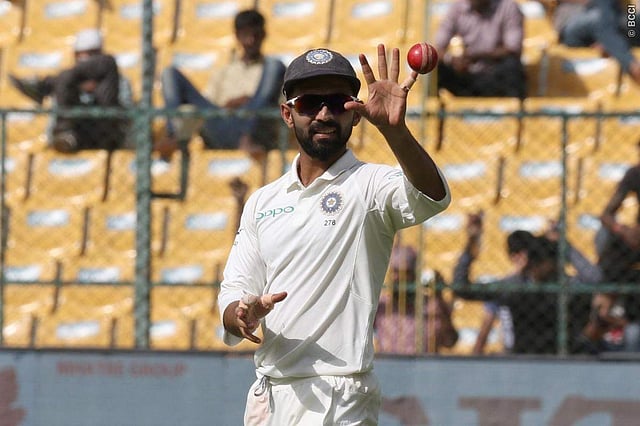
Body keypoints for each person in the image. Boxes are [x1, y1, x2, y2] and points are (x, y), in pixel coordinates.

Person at [217, 44, 450, 424]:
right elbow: (234, 290)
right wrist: (241, 315)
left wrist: (395, 133)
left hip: (339, 397)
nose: (324, 114)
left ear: (355, 113)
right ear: (288, 114)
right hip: (268, 396)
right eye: (310, 103)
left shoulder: (371, 185)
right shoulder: (263, 201)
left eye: (338, 102)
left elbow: (432, 197)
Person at [157, 9, 286, 161]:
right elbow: (208, 108)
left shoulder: (271, 72)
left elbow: (280, 108)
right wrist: (229, 105)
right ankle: (172, 135)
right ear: (237, 36)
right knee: (169, 74)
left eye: (255, 35)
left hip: (257, 129)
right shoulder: (223, 71)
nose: (251, 41)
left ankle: (248, 135)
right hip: (221, 126)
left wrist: (251, 103)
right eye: (246, 35)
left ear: (263, 35)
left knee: (275, 66)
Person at [453, 223, 602, 355]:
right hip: (526, 356)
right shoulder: (518, 287)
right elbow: (462, 290)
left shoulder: (566, 286)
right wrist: (471, 245)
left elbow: (596, 279)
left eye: (540, 260)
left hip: (565, 354)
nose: (534, 266)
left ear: (553, 262)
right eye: (533, 259)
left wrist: (565, 245)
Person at [9, 28, 133, 152]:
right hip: (76, 135)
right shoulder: (66, 84)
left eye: (92, 54)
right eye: (80, 54)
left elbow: (126, 114)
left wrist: (95, 90)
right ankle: (65, 134)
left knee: (108, 63)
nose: (86, 58)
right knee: (65, 81)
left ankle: (43, 86)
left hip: (107, 131)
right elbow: (55, 115)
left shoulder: (118, 81)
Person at [374, 237, 458, 354]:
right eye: (394, 272)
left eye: (404, 273)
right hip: (388, 363)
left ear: (414, 274)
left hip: (424, 364)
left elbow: (449, 341)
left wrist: (439, 298)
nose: (397, 277)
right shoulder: (382, 305)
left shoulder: (432, 305)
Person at [434, 0, 527, 98]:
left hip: (497, 74)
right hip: (467, 75)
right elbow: (438, 48)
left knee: (512, 65)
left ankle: (514, 105)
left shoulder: (508, 6)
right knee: (434, 67)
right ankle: (432, 105)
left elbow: (513, 49)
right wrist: (452, 59)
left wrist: (476, 56)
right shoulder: (457, 8)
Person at [598, 138, 640, 351]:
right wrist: (622, 230)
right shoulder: (635, 174)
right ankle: (606, 294)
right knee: (605, 236)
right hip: (636, 238)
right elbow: (606, 214)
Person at [551, 0, 640, 85]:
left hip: (610, 22)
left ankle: (607, 41)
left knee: (632, 22)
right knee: (599, 18)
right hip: (573, 24)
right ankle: (632, 66)